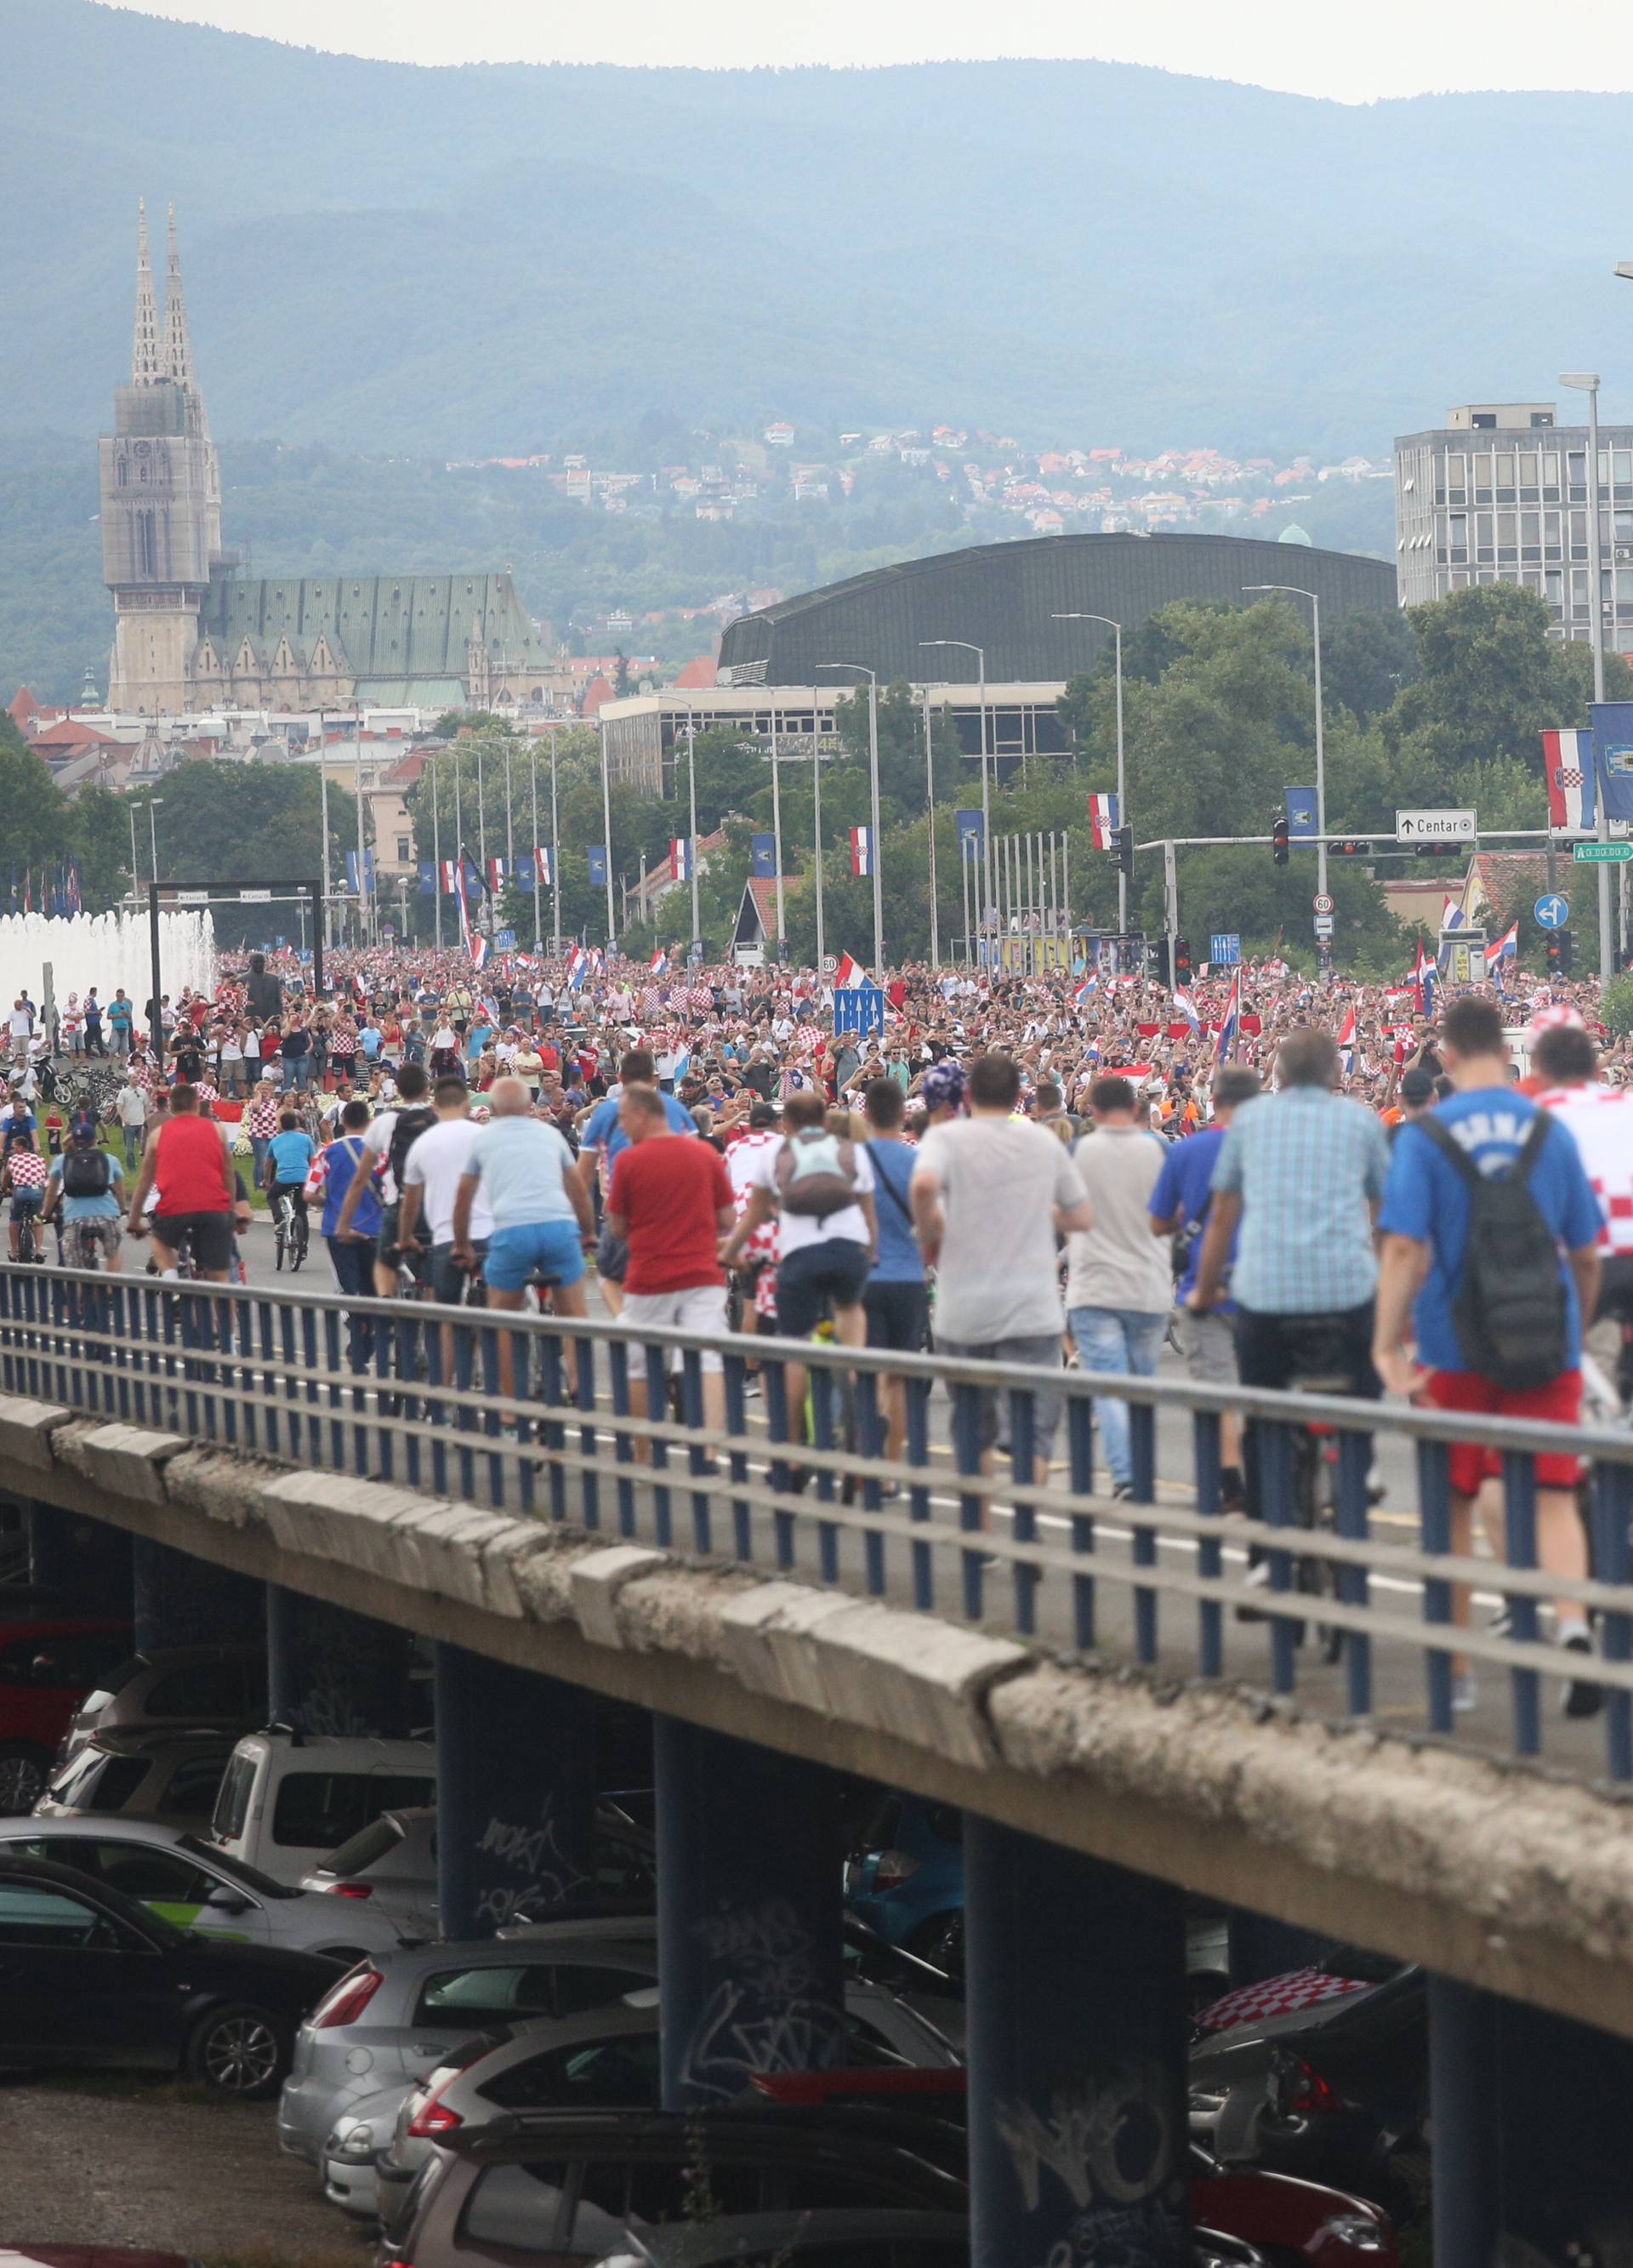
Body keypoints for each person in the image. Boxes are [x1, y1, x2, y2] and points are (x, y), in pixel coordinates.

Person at [1374, 994, 1604, 1716]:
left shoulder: (1425, 1135)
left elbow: (1405, 1246)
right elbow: (1586, 1250)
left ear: (1443, 1052)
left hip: (1454, 1342)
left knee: (1454, 1508)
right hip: (1546, 1337)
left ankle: (1460, 1672)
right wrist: (1575, 1323)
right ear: (1509, 1055)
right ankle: (1571, 1625)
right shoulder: (1548, 1128)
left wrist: (1389, 1343)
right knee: (1554, 1493)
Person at [910, 1051, 1092, 1484]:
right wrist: (1040, 1213)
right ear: (1017, 1097)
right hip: (1031, 1308)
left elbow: (923, 1185)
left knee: (975, 1432)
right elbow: (1083, 1217)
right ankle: (1026, 1533)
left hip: (965, 1310)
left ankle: (983, 1535)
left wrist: (931, 1228)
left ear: (970, 1096)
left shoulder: (947, 1139)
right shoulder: (1042, 1141)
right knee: (1034, 1434)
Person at [1191, 1027, 1390, 1409]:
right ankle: (1356, 1459)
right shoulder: (1363, 1122)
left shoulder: (1248, 1122)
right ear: (1335, 1074)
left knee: (1262, 1409)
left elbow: (1221, 1218)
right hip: (1346, 1291)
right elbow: (1384, 1217)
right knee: (1361, 1410)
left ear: (1278, 1075)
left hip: (1266, 1293)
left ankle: (1267, 1457)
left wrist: (1204, 1289)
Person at [725, 1086, 880, 1427]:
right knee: (850, 1310)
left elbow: (754, 1214)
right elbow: (868, 1212)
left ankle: (794, 1437)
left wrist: (730, 1251)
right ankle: (852, 1381)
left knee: (795, 1343)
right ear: (823, 1120)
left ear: (788, 1124)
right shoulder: (849, 1150)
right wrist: (871, 1252)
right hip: (848, 1248)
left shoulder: (776, 1152)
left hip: (800, 1253)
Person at [1148, 1064, 1261, 1511]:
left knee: (1216, 1390)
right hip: (1264, 1287)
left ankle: (1230, 1475)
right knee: (1259, 1386)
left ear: (1214, 1101)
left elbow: (1158, 1220)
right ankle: (1264, 1467)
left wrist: (1185, 1223)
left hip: (1205, 1286)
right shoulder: (1273, 1148)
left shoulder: (1186, 1151)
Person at [606, 1081, 737, 1445]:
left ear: (642, 1115)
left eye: (624, 1119)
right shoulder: (705, 1155)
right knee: (707, 1360)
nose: (621, 1128)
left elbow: (616, 1226)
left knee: (642, 1365)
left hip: (649, 1276)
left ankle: (646, 1455)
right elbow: (728, 1219)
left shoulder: (629, 1161)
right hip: (702, 1273)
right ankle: (710, 1450)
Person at [452, 1075, 595, 1409]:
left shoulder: (483, 1139)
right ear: (528, 1105)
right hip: (558, 1227)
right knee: (574, 1311)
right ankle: (578, 1382)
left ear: (495, 1107)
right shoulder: (549, 1135)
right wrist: (588, 1232)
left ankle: (508, 1401)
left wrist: (462, 1244)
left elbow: (464, 1195)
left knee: (503, 1317)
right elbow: (576, 1187)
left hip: (513, 1229)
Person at [1063, 1074, 1173, 1500]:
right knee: (1142, 1385)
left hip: (1095, 1285)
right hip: (1147, 1284)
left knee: (1108, 1384)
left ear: (1092, 1112)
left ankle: (1126, 1475)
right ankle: (1141, 1472)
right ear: (1134, 1109)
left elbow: (1064, 1210)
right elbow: (1172, 1213)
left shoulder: (1079, 1151)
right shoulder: (1160, 1150)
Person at [1533, 1017, 1633, 1408]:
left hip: (1590, 1258)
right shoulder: (1625, 1104)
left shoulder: (1538, 1114)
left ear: (1539, 1069)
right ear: (1596, 1068)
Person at [575, 1048, 696, 1317]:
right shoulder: (676, 1108)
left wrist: (584, 1228)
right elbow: (697, 1160)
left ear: (619, 1078)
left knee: (609, 1274)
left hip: (622, 1205)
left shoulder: (606, 1112)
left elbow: (582, 1175)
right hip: (673, 1207)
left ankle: (625, 1321)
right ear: (655, 1078)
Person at [860, 1075, 928, 1465]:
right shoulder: (916, 1161)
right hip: (907, 1276)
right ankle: (890, 1467)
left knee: (866, 1372)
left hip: (864, 1276)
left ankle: (864, 1449)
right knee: (898, 1377)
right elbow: (931, 1222)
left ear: (865, 1114)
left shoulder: (851, 1159)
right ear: (903, 1115)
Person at [334, 1060, 435, 1297]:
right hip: (434, 1205)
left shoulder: (385, 1122)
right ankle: (432, 1317)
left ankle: (386, 1305)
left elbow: (361, 1177)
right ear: (426, 1089)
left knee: (385, 1261)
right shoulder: (437, 1120)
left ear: (398, 1090)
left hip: (397, 1203)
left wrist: (344, 1223)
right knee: (432, 1271)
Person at [126, 1082, 247, 1282]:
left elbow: (145, 1182)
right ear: (196, 1105)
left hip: (175, 1208)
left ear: (172, 1107)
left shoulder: (158, 1135)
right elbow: (228, 1174)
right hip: (213, 1209)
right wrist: (231, 1208)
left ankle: (172, 1281)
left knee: (160, 1242)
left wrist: (134, 1220)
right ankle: (224, 1306)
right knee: (219, 1274)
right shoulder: (217, 1131)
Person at [397, 1076, 494, 1310]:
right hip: (488, 1233)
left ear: (435, 1106)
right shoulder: (487, 1137)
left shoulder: (422, 1144)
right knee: (499, 1308)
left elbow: (411, 1202)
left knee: (446, 1311)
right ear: (465, 1105)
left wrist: (406, 1238)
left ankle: (449, 1343)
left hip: (446, 1236)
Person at [317, 1098, 383, 1368]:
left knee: (349, 1287)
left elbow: (310, 1192)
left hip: (337, 1228)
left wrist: (331, 1201)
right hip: (374, 1227)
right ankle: (370, 1337)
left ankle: (359, 1341)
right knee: (373, 1287)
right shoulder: (380, 1152)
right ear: (368, 1122)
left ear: (342, 1123)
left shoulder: (327, 1152)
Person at [43, 1109, 126, 1272]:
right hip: (106, 1214)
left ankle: (79, 1294)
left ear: (73, 1140)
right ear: (95, 1140)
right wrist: (122, 1208)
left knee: (74, 1265)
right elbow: (120, 1189)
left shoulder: (62, 1160)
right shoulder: (111, 1160)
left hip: (75, 1217)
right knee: (114, 1252)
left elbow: (51, 1192)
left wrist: (45, 1213)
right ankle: (110, 1289)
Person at [264, 1108, 316, 1240]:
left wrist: (266, 1180)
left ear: (281, 1125)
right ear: (296, 1124)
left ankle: (279, 1219)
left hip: (284, 1179)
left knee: (272, 1196)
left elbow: (267, 1163)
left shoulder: (275, 1141)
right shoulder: (306, 1139)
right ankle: (303, 1246)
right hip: (303, 1177)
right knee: (301, 1211)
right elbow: (313, 1160)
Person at [1, 1130, 48, 1258]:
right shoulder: (40, 1159)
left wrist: (4, 1190)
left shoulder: (13, 1159)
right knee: (38, 1219)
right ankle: (38, 1251)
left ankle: (14, 1251)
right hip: (37, 1191)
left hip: (21, 1191)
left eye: (14, 1147)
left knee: (14, 1220)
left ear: (20, 1148)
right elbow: (47, 1177)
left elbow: (6, 1178)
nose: (12, 1150)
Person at [113, 1073, 149, 1171]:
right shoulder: (123, 1092)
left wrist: (147, 1119)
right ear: (129, 1079)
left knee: (145, 1148)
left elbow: (146, 1107)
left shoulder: (142, 1092)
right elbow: (119, 1107)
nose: (136, 1079)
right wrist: (124, 1118)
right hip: (129, 1125)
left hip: (141, 1123)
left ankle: (146, 1168)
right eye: (134, 1078)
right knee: (129, 1150)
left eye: (137, 1077)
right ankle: (132, 1169)